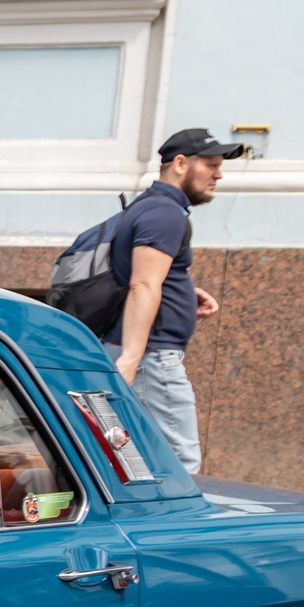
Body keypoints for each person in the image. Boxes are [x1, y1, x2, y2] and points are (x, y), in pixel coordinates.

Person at [104, 127, 249, 475]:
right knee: (180, 466)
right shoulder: (164, 214)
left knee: (141, 465)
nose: (219, 174)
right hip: (151, 360)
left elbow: (141, 274)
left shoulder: (150, 207)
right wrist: (132, 357)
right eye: (211, 164)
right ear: (180, 164)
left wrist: (182, 291)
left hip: (143, 357)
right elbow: (142, 284)